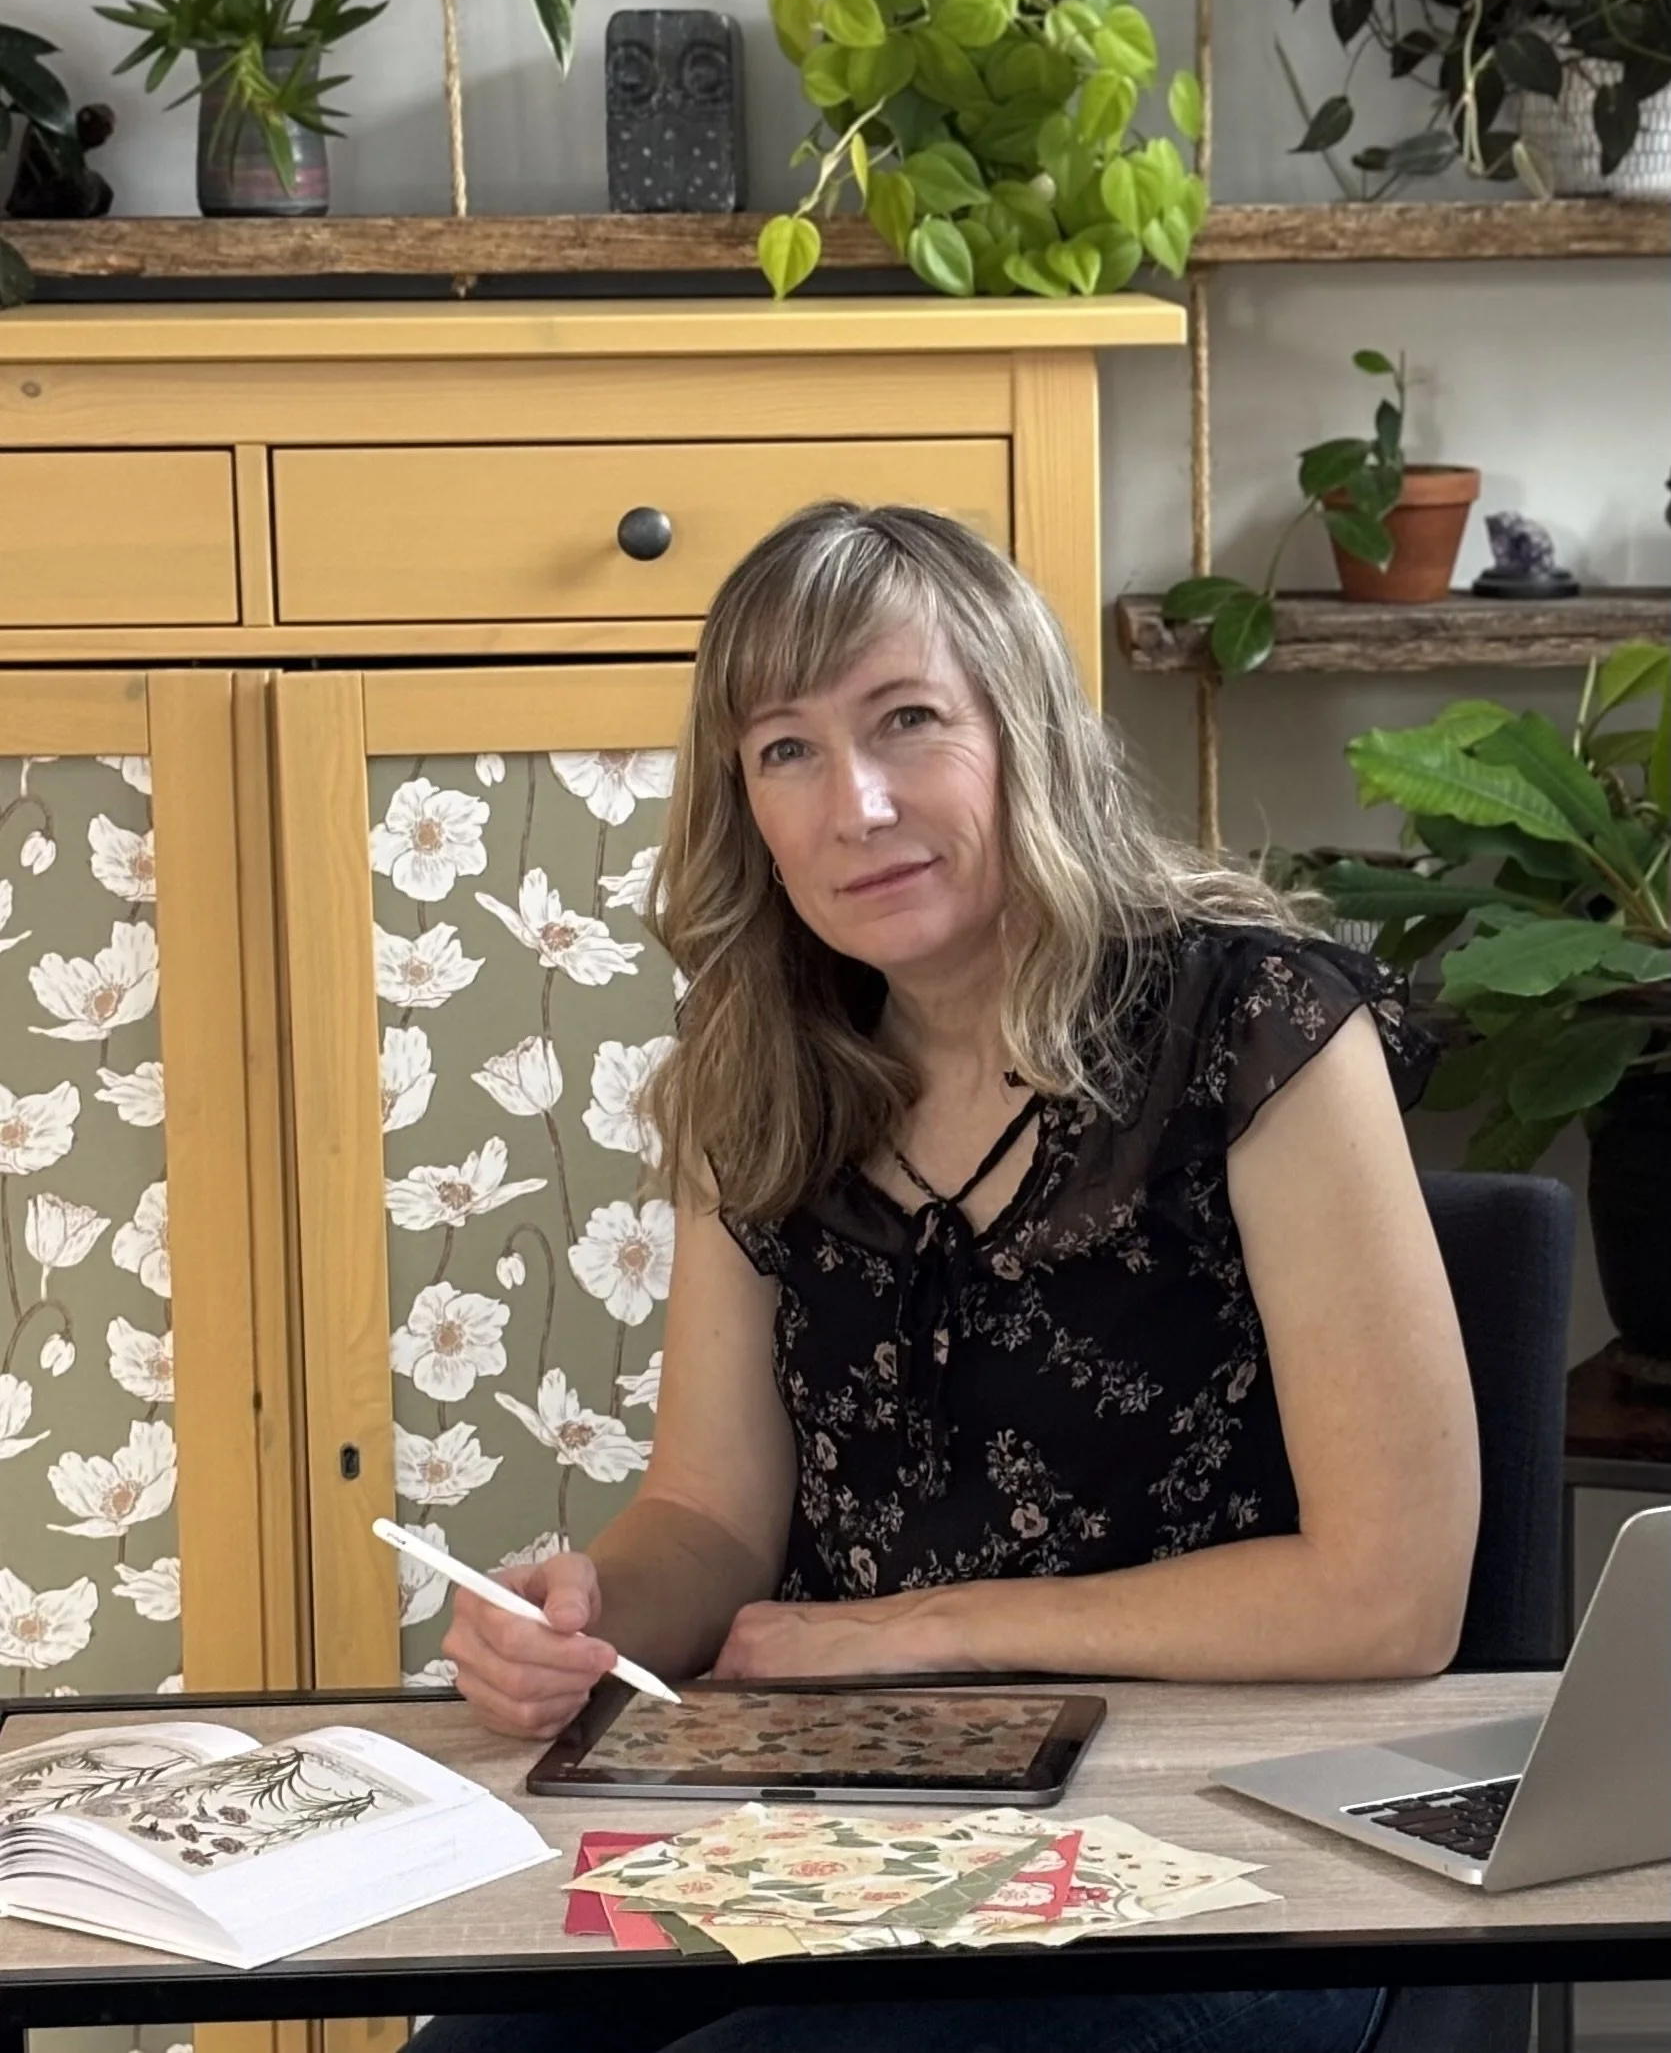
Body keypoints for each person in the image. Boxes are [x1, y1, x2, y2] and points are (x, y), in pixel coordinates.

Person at [423, 501, 1481, 2053]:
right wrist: (588, 1608)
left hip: (1220, 1850)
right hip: (847, 1825)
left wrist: (918, 1625)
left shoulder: (1249, 1022)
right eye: (782, 750)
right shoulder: (758, 1071)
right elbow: (712, 1516)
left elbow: (1389, 1600)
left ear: (1023, 736)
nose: (851, 803)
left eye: (905, 721)